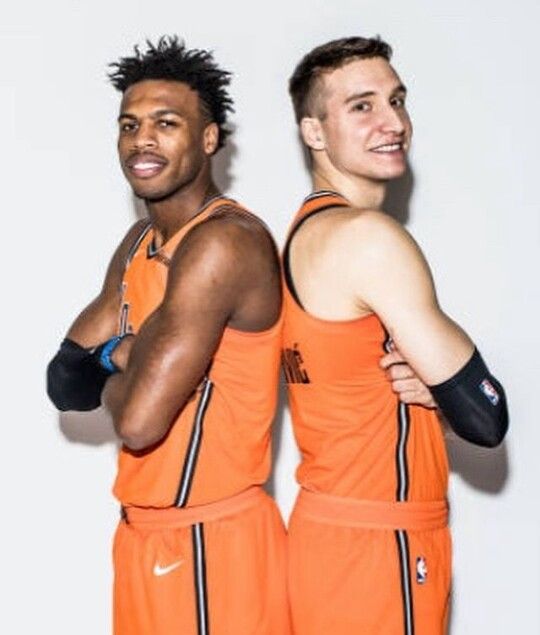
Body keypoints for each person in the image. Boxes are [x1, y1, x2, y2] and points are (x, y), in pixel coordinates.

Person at [46, 36, 291, 635]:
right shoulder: (137, 246)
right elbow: (64, 381)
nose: (142, 140)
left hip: (212, 541)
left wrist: (118, 365)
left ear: (208, 140)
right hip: (143, 535)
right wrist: (119, 353)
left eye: (166, 123)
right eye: (129, 125)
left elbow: (139, 422)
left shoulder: (223, 244)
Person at [282, 36, 509, 635]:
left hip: (327, 537)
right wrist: (448, 388)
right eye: (362, 106)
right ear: (314, 132)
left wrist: (434, 386)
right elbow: (487, 417)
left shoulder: (303, 236)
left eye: (397, 99)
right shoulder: (368, 239)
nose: (394, 122)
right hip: (382, 543)